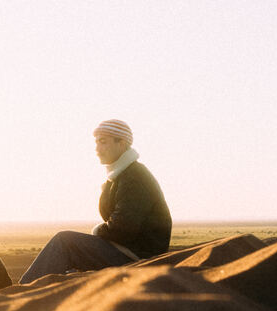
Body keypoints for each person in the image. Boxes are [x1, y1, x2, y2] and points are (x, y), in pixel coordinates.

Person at [19, 118, 172, 283]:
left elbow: (123, 229)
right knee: (68, 270)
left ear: (121, 144)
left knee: (64, 242)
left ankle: (19, 294)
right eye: (96, 143)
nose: (97, 149)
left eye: (103, 142)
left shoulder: (135, 177)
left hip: (139, 258)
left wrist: (98, 231)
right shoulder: (119, 176)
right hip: (126, 251)